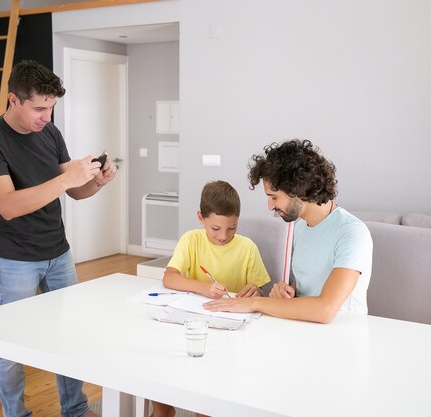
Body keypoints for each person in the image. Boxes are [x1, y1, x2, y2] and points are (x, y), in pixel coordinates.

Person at [0, 60, 115, 417]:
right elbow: (7, 205)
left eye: (51, 108)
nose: (46, 117)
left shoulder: (49, 133)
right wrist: (68, 179)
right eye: (39, 108)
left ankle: (76, 409)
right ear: (13, 101)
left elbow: (74, 193)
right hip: (14, 258)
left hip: (58, 253)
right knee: (12, 344)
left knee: (70, 338)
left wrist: (95, 180)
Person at [204, 139, 373, 324]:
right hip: (301, 327)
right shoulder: (300, 226)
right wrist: (288, 292)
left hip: (341, 334)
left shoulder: (352, 233)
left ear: (297, 189)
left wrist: (255, 303)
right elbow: (310, 285)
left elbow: (325, 309)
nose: (270, 206)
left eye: (274, 197)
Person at [151, 180, 271, 417]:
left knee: (210, 392)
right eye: (215, 228)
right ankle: (163, 410)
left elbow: (259, 292)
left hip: (229, 330)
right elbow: (169, 278)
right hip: (192, 321)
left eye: (232, 228)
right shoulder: (191, 240)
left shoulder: (247, 247)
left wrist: (254, 291)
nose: (223, 236)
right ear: (201, 217)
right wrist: (204, 288)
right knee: (157, 362)